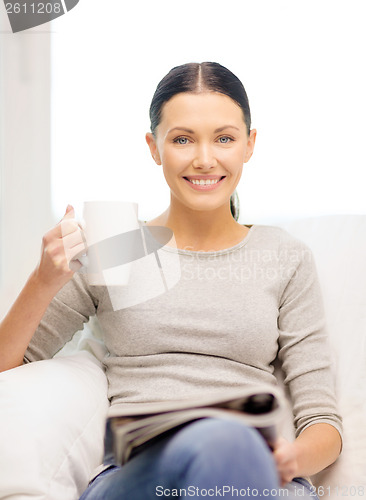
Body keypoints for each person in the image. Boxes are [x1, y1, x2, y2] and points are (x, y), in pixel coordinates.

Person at [0, 62, 342, 499]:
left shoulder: (283, 256)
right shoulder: (117, 245)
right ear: (154, 146)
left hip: (252, 476)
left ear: (249, 144)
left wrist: (280, 461)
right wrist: (43, 281)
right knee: (213, 441)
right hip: (140, 475)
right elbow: (9, 371)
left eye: (224, 138)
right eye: (182, 139)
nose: (204, 159)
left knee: (227, 443)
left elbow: (323, 424)